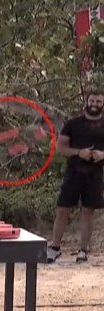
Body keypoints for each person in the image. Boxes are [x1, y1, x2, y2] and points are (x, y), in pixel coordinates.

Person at [47, 89, 104, 264]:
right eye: (92, 101)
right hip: (73, 173)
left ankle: (83, 251)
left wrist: (102, 155)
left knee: (88, 212)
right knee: (62, 209)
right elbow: (61, 147)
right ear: (86, 102)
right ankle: (55, 248)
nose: (94, 104)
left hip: (95, 174)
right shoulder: (73, 124)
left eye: (98, 102)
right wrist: (79, 152)